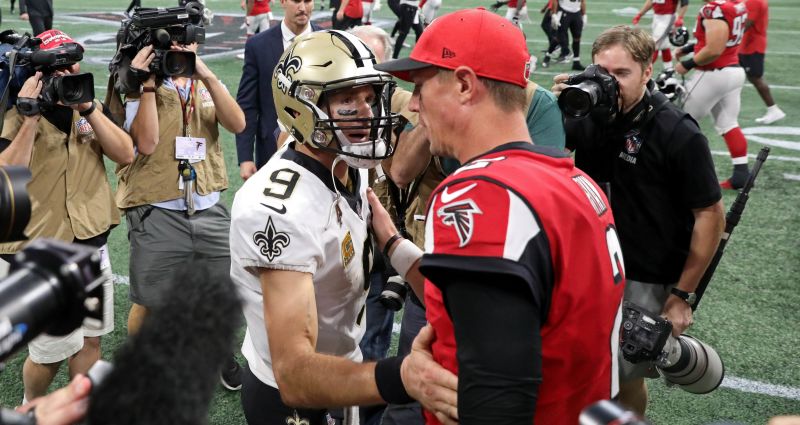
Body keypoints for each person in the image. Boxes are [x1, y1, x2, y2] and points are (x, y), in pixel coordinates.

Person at [373, 8, 626, 423]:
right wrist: (395, 245)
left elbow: (495, 400)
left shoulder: (481, 195)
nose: (414, 105)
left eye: (420, 87)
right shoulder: (579, 183)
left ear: (464, 84)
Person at [229, 29, 458, 425]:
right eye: (347, 98)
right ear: (302, 106)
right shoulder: (278, 208)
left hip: (341, 368)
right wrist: (401, 376)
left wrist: (393, 245)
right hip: (294, 399)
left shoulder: (344, 161)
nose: (367, 113)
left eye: (370, 97)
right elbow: (296, 374)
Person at [551, 25, 725, 416]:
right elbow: (546, 164)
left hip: (643, 273)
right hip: (587, 264)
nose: (608, 84)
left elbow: (710, 215)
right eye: (600, 71)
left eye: (620, 74)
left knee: (623, 377)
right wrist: (556, 107)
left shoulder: (678, 132)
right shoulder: (587, 111)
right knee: (578, 365)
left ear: (648, 72)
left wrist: (682, 295)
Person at [0, 29, 131, 403]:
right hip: (37, 253)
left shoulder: (84, 103)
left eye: (72, 61)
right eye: (58, 65)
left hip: (90, 243)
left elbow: (125, 154)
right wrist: (28, 118)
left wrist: (88, 108)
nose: (69, 70)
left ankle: (78, 408)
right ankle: (29, 407)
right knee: (50, 354)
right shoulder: (12, 112)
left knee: (91, 338)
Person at [115, 38, 246, 389]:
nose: (184, 48)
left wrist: (204, 72)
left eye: (189, 41)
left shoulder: (203, 80)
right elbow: (147, 143)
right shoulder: (138, 82)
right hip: (157, 204)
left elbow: (237, 124)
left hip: (206, 200)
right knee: (150, 299)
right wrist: (145, 85)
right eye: (175, 42)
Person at [236, 0, 319, 180]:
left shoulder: (329, 41)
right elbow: (248, 104)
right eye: (296, 1)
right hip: (271, 149)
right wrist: (245, 157)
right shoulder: (258, 45)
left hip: (321, 149)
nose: (303, 8)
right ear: (282, 1)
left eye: (308, 1)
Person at [675, 0, 749, 189]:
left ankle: (686, 175)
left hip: (713, 73)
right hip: (733, 71)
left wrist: (687, 64)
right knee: (728, 123)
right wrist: (687, 49)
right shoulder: (736, 4)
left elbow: (715, 48)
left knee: (679, 122)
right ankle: (741, 173)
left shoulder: (714, 9)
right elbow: (717, 39)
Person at [739, 0, 785, 124]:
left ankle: (774, 109)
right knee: (734, 73)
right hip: (746, 45)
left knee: (755, 78)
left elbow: (747, 23)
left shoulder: (754, 1)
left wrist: (729, 34)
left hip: (752, 45)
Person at [632, 0, 689, 70]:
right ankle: (669, 70)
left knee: (654, 45)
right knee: (664, 46)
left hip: (668, 17)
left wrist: (680, 17)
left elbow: (684, 2)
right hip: (657, 17)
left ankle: (644, 70)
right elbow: (651, 1)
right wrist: (640, 14)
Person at [544, 0, 586, 69]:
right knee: (559, 37)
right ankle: (548, 55)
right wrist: (554, 14)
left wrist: (584, 15)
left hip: (576, 13)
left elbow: (583, 1)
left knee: (577, 38)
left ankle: (576, 62)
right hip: (564, 10)